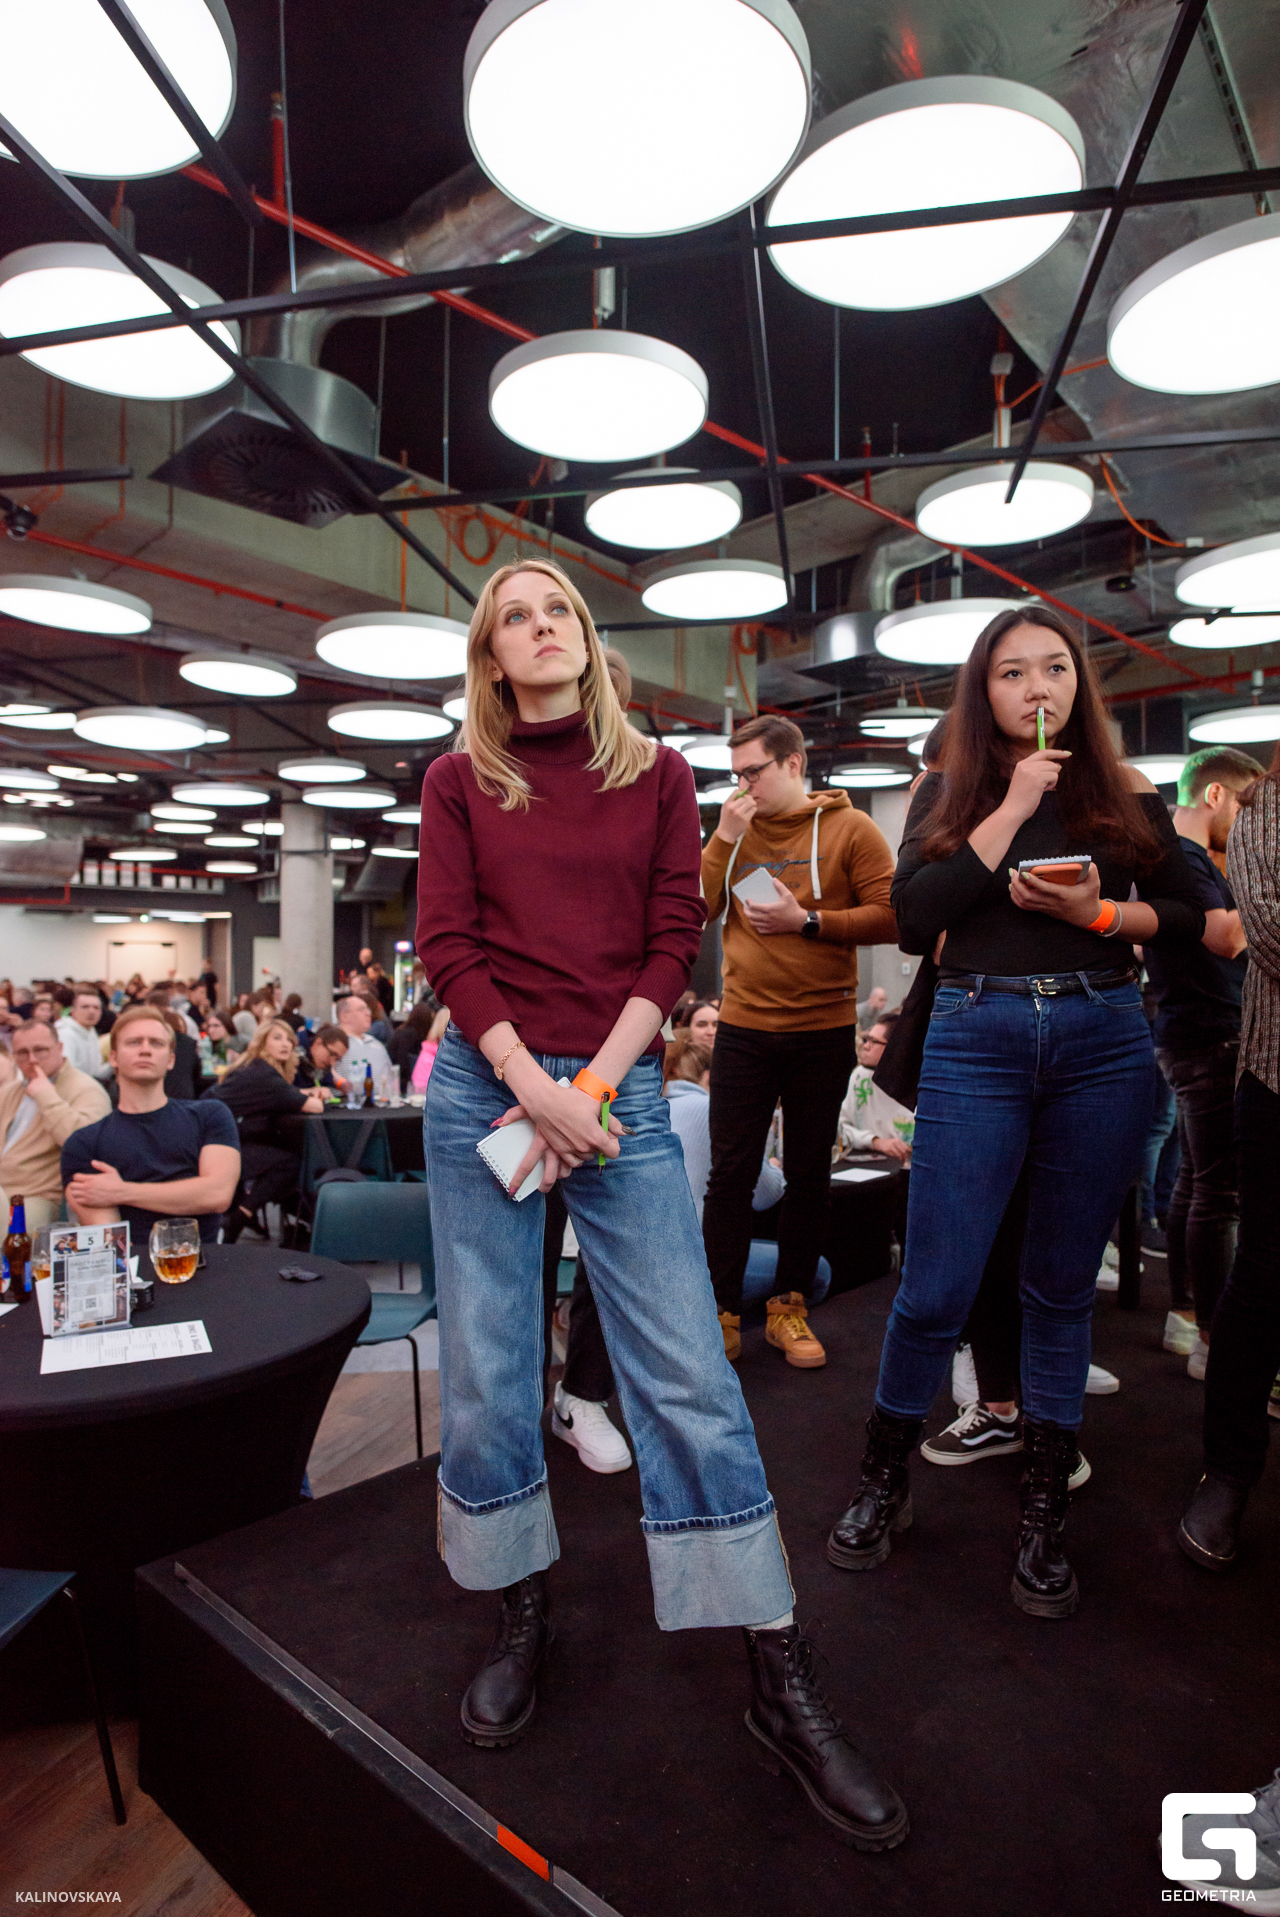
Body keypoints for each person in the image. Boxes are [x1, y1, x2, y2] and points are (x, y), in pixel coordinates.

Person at [416, 557, 905, 1848]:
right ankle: (520, 1601)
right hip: (485, 1087)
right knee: (490, 1366)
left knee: (687, 1366)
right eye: (514, 617)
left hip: (615, 1083)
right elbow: (447, 944)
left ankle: (774, 1658)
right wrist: (534, 1086)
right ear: (490, 652)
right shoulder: (460, 779)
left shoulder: (659, 775)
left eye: (558, 612)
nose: (540, 628)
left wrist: (591, 1087)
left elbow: (668, 943)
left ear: (586, 639)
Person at [827, 604, 1204, 1618]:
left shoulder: (1124, 791)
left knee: (1058, 1288)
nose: (1036, 687)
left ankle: (1043, 1502)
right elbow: (914, 919)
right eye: (1011, 673)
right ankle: (883, 1477)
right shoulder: (947, 789)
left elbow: (1194, 917)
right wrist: (1009, 806)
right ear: (982, 689)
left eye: (1053, 669)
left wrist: (1097, 911)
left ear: (1077, 682)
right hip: (977, 1031)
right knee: (935, 1284)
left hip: (1100, 1035)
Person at [700, 713, 897, 1371]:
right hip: (744, 1027)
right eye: (735, 775)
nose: (743, 786)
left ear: (792, 763)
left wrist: (806, 920)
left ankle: (789, 1307)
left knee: (810, 1173)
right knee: (730, 1174)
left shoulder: (850, 828)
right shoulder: (735, 830)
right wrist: (722, 839)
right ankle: (721, 1311)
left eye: (753, 772)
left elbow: (893, 917)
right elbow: (693, 907)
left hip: (821, 1027)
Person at [1179, 740, 1280, 1571]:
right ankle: (1230, 1468)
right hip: (1270, 1074)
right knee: (1261, 1267)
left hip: (1214, 1041)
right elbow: (1266, 934)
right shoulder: (1261, 809)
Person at [1144, 746, 1262, 1377]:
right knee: (1221, 1193)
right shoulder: (1182, 854)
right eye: (1245, 809)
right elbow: (1226, 936)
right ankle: (1215, 1342)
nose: (1247, 826)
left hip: (1197, 1031)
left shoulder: (1180, 855)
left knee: (1198, 1182)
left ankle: (1190, 1319)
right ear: (1215, 795)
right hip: (1209, 1033)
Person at [62, 1004, 240, 1244]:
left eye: (156, 1043)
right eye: (133, 1042)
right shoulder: (84, 1143)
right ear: (113, 1057)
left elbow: (217, 1194)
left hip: (202, 1259)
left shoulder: (209, 1115)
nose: (145, 1050)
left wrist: (121, 1192)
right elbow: (112, 1244)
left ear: (171, 1060)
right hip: (131, 1264)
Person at [204, 1019, 323, 1242]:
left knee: (275, 1150)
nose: (285, 1044)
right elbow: (315, 1107)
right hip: (214, 1147)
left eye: (289, 1040)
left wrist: (305, 1093)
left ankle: (239, 1216)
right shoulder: (265, 1075)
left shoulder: (256, 1068)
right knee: (289, 1162)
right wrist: (319, 1094)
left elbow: (286, 1093)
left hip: (213, 1137)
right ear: (262, 1043)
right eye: (277, 1038)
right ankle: (241, 1216)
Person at [0, 1019, 111, 1228]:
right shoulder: (10, 1092)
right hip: (4, 1191)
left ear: (59, 1048)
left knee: (11, 1230)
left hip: (36, 1196)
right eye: (22, 1053)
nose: (32, 1059)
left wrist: (46, 1096)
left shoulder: (86, 1090)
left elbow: (85, 1146)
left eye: (40, 1050)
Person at [838, 1014, 914, 1161]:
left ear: (895, 1048)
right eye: (866, 1040)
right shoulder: (860, 1077)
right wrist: (874, 1141)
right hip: (870, 1161)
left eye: (874, 1042)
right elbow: (839, 1129)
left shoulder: (918, 1084)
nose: (865, 1046)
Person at [334, 992, 394, 1094]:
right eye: (361, 1009)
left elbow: (391, 1076)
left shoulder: (376, 1043)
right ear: (344, 1016)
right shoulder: (335, 1044)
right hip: (349, 1101)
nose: (368, 1013)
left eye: (368, 1009)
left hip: (384, 1101)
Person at [55, 985, 112, 1082]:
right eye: (85, 1007)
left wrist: (116, 1063)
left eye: (96, 1008)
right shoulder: (65, 1034)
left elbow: (96, 1072)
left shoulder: (91, 1033)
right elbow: (66, 1075)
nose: (91, 1011)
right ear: (73, 1011)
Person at [294, 1023, 351, 1094]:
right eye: (332, 1054)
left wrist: (342, 1084)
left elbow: (328, 1079)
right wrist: (310, 1092)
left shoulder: (321, 1064)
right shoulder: (294, 1050)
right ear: (318, 1042)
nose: (332, 1062)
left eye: (337, 1059)